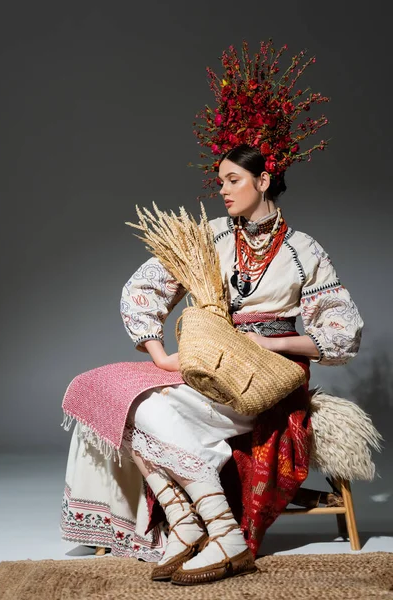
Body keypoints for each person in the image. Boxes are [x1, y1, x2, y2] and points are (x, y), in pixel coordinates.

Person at [60, 41, 363, 585]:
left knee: (149, 415)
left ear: (264, 181)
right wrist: (163, 355)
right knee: (112, 395)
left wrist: (274, 346)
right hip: (207, 367)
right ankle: (198, 525)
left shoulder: (304, 251)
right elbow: (144, 290)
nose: (221, 190)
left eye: (233, 180)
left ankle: (207, 530)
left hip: (264, 381)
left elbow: (340, 334)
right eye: (219, 180)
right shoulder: (210, 238)